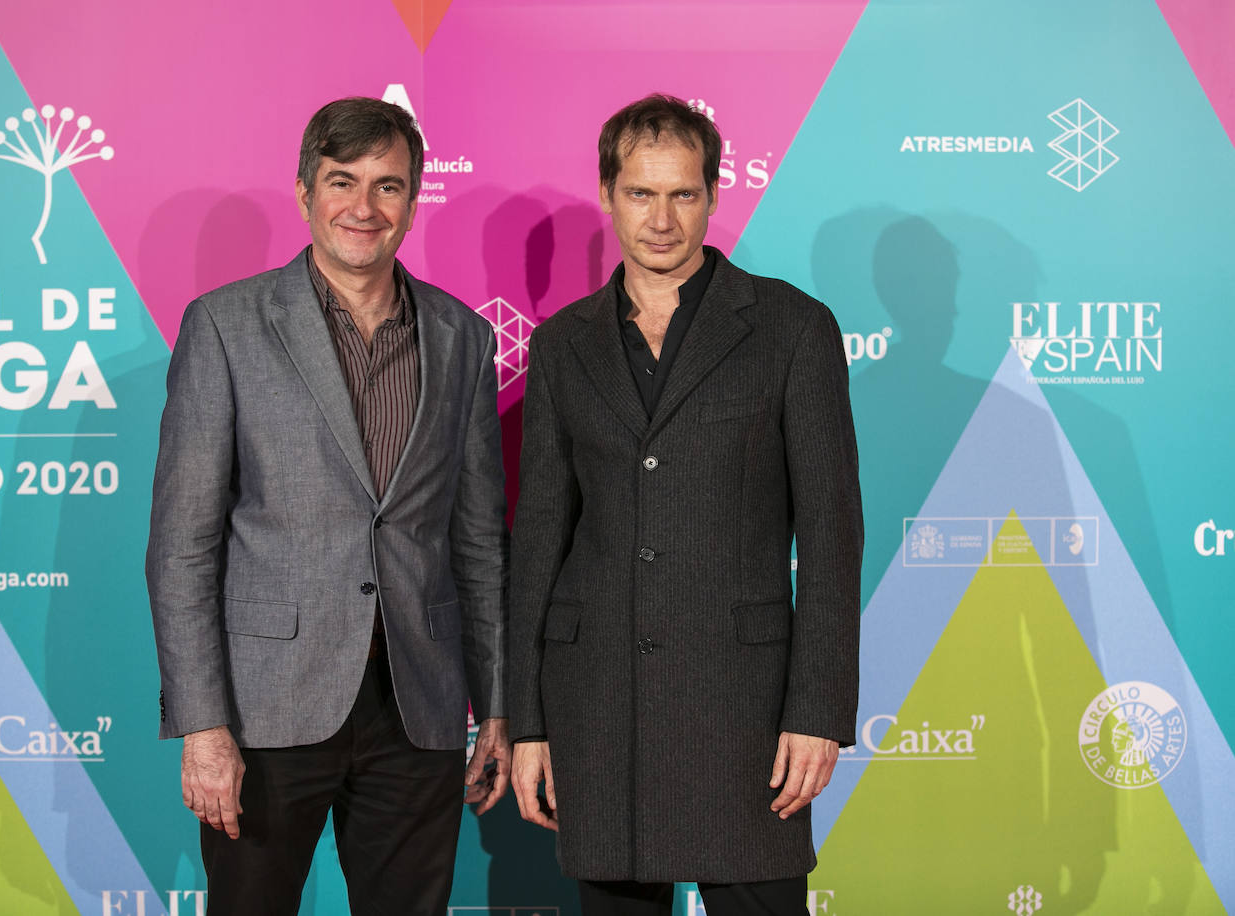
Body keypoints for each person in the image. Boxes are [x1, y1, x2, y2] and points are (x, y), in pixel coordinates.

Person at [146, 96, 510, 916]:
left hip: (417, 707)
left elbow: (480, 542)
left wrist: (496, 706)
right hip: (266, 710)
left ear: (414, 200)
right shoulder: (226, 326)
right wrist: (203, 729)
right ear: (306, 190)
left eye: (389, 185)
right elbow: (182, 547)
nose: (364, 207)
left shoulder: (462, 337)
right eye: (342, 181)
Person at [507, 94, 862, 915]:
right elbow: (540, 543)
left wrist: (818, 712)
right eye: (640, 193)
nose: (661, 219)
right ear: (606, 193)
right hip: (599, 709)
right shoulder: (563, 342)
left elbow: (834, 533)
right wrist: (527, 722)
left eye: (683, 194)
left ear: (712, 194)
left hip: (744, 711)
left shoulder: (791, 329)